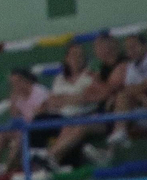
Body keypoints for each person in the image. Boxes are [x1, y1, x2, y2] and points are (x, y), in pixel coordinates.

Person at [100, 32, 147, 168]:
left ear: (144, 46)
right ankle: (113, 147)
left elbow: (143, 86)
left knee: (122, 99)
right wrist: (141, 97)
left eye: (134, 47)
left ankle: (115, 147)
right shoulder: (132, 65)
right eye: (128, 48)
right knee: (119, 102)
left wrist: (132, 93)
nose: (131, 51)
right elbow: (129, 89)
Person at [53, 32, 128, 167]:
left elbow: (103, 93)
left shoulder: (120, 65)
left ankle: (49, 157)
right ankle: (50, 161)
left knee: (82, 125)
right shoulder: (102, 69)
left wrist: (96, 84)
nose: (95, 51)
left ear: (108, 48)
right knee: (67, 126)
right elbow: (90, 94)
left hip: (112, 116)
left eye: (98, 47)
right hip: (101, 113)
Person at [0, 68, 51, 172]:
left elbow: (41, 113)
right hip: (25, 127)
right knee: (1, 133)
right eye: (12, 84)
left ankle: (8, 167)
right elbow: (15, 116)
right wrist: (13, 101)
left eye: (16, 82)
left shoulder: (38, 91)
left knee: (20, 135)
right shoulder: (18, 95)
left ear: (25, 80)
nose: (14, 86)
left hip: (40, 127)